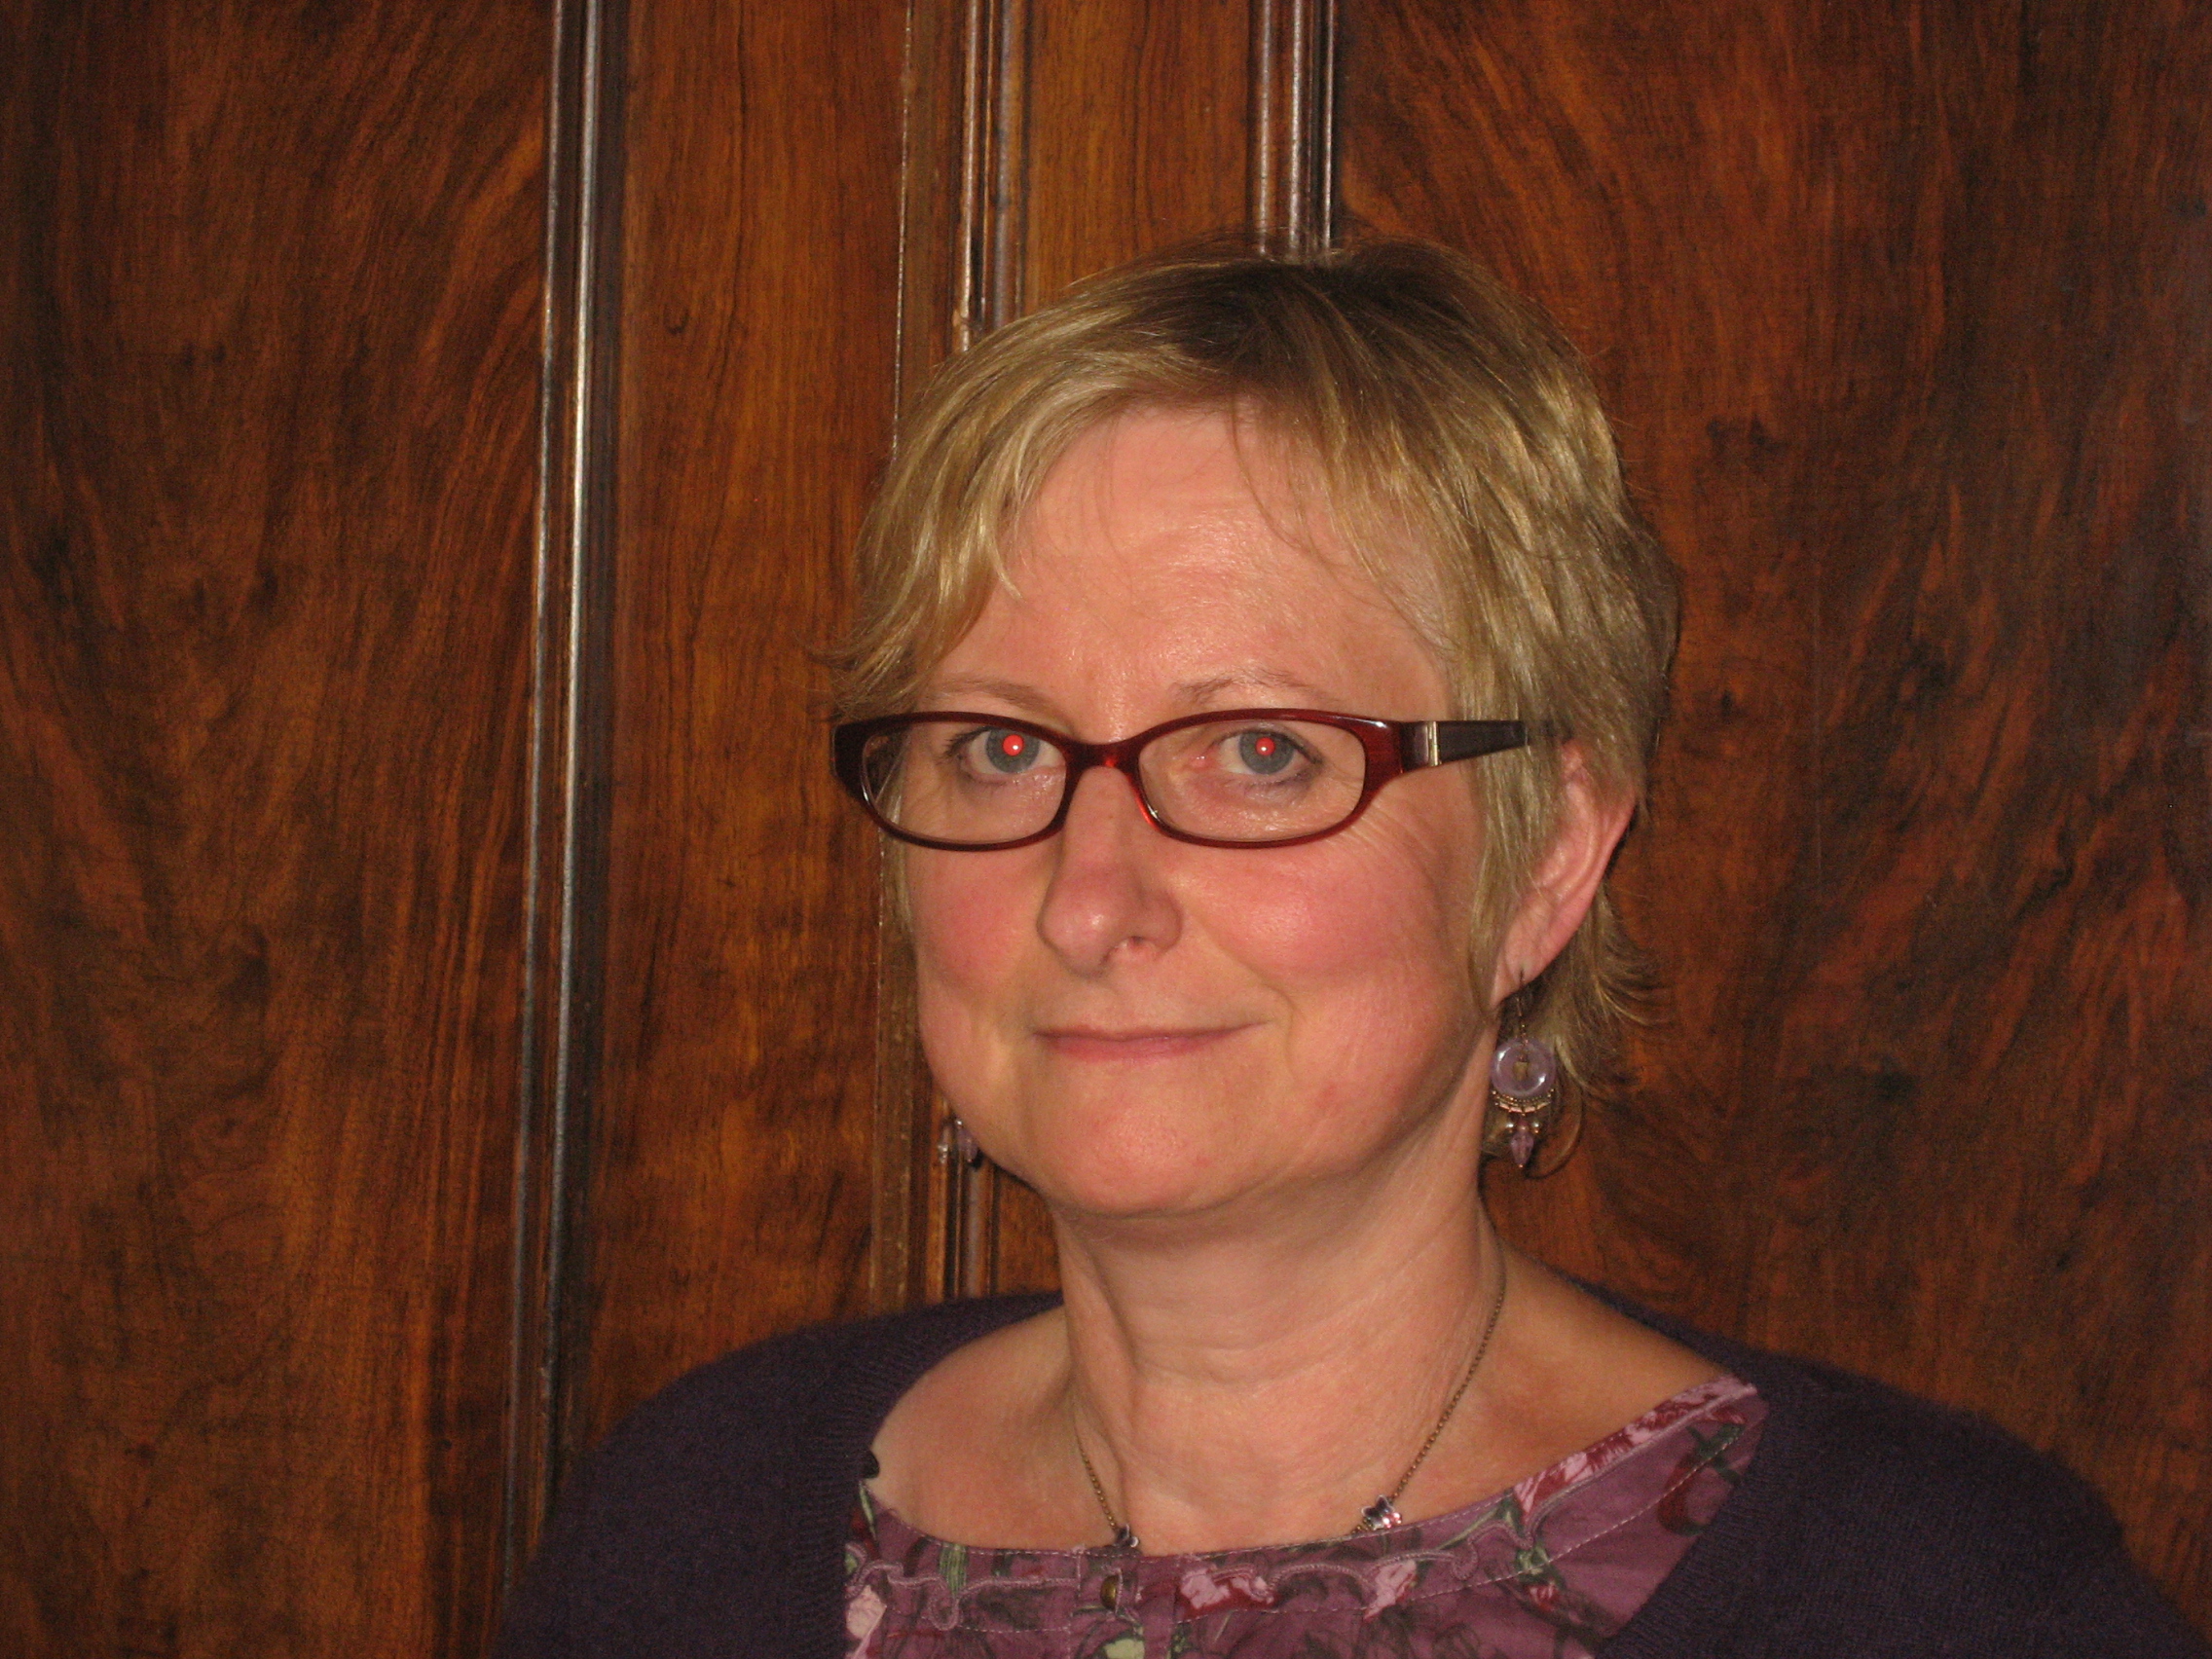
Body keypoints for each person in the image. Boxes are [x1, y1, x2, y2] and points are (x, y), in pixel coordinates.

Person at [498, 241, 2207, 1658]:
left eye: (1261, 752)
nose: (1091, 900)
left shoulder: (1942, 1600)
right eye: (1002, 748)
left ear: (1545, 858)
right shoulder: (692, 1523)